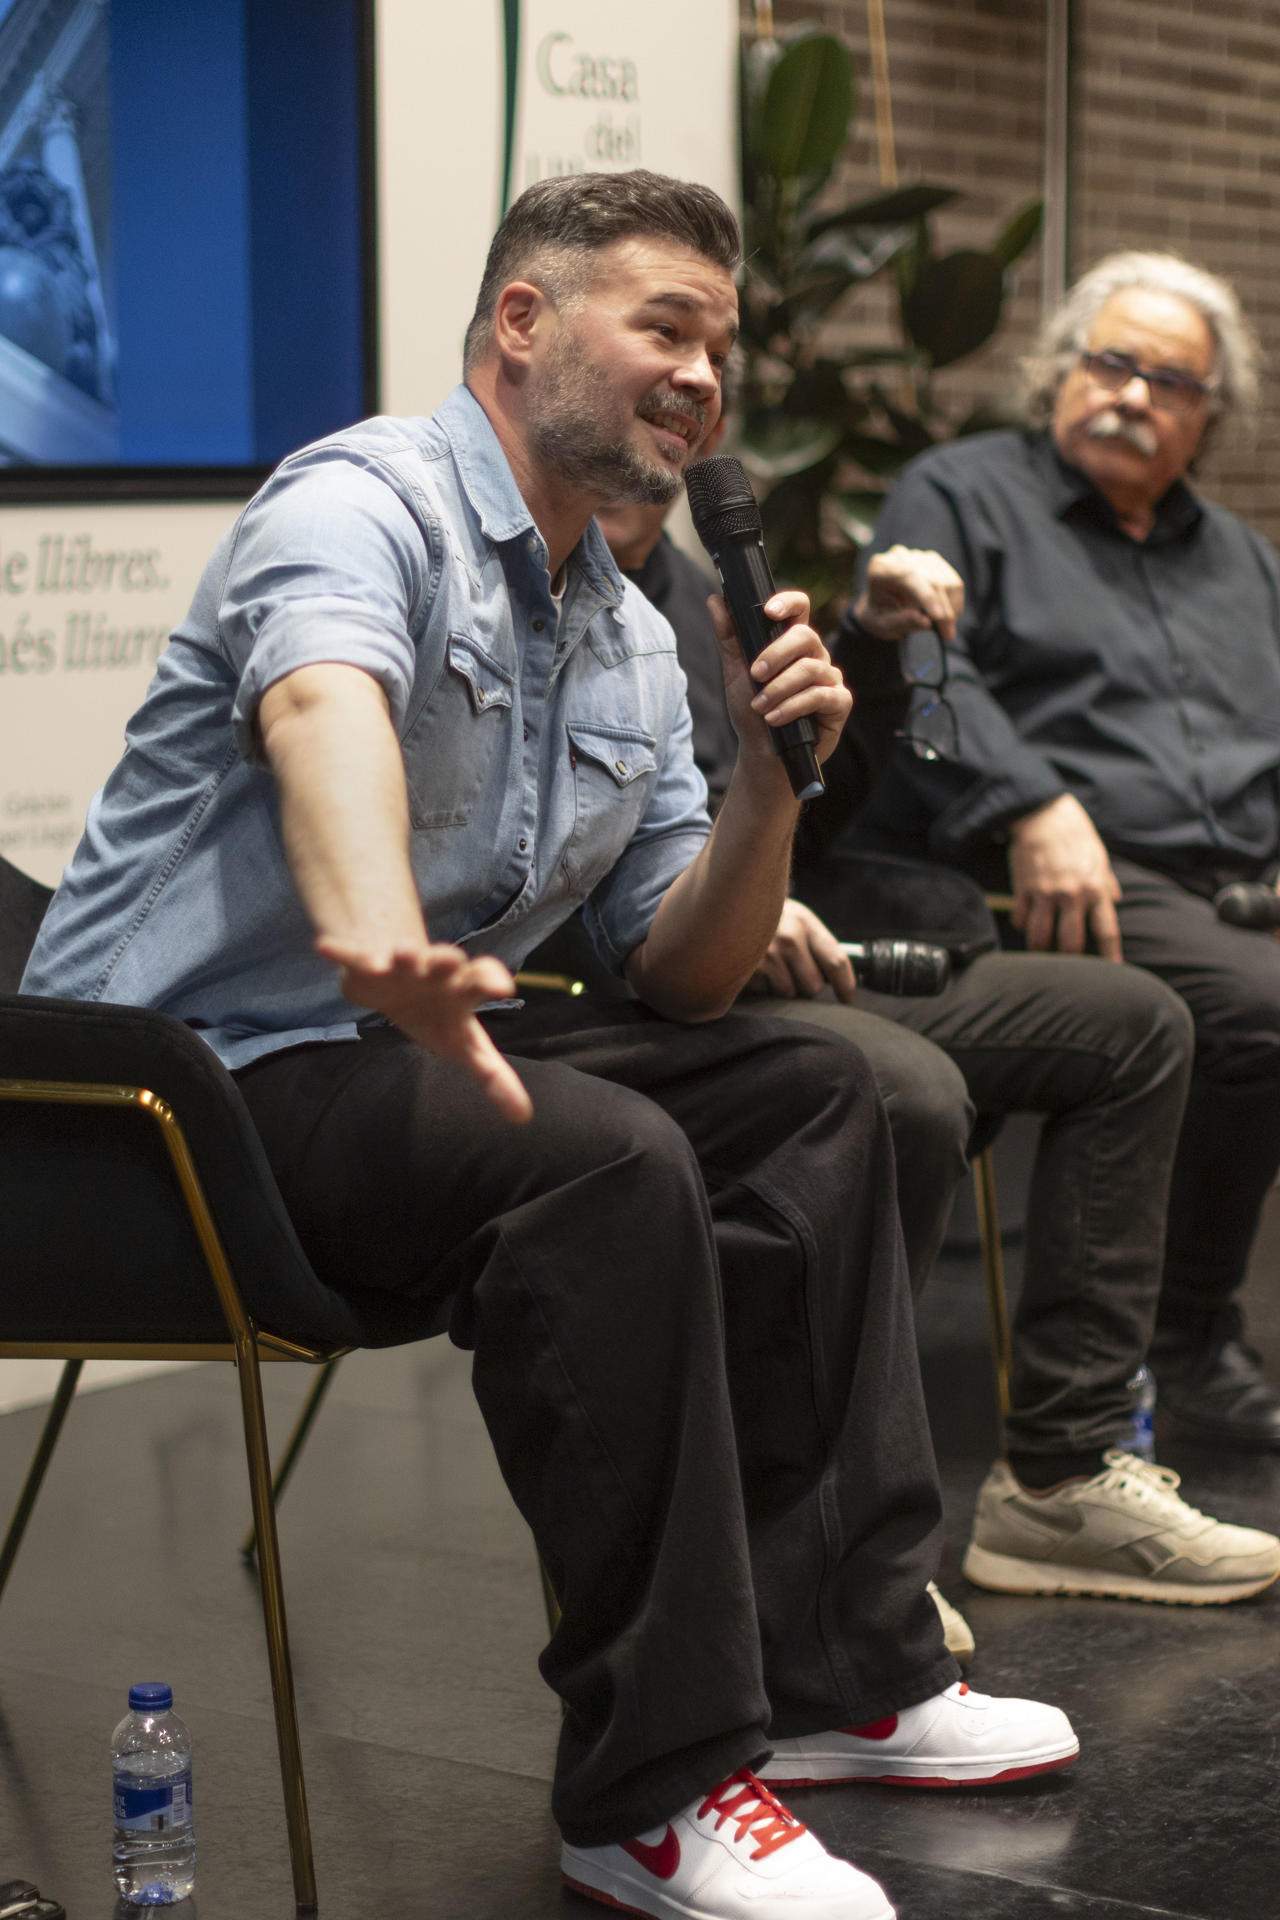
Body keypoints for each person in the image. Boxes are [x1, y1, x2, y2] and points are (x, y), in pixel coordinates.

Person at [20, 170, 1078, 1920]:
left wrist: (764, 783)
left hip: (406, 1060)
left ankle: (841, 1674)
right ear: (524, 325)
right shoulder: (360, 501)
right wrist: (389, 937)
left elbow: (685, 974)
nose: (703, 377)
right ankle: (651, 1791)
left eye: (720, 347)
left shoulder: (627, 629)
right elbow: (321, 706)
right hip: (165, 1102)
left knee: (837, 1086)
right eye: (664, 325)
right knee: (599, 1155)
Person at [591, 419, 1280, 1617]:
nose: (673, 414)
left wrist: (863, 643)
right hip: (655, 981)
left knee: (1134, 1022)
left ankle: (1057, 1481)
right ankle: (833, 1538)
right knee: (900, 1086)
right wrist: (703, 893)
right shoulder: (539, 597)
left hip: (817, 939)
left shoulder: (702, 590)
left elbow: (823, 808)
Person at [840, 249, 1280, 1471]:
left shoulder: (1241, 562)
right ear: (1060, 373)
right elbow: (922, 672)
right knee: (1255, 1013)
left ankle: (1175, 1330)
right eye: (1112, 363)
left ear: (1207, 416)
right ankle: (1185, 1339)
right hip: (1051, 865)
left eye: (1169, 382)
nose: (1133, 395)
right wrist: (1030, 800)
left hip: (1231, 874)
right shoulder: (961, 494)